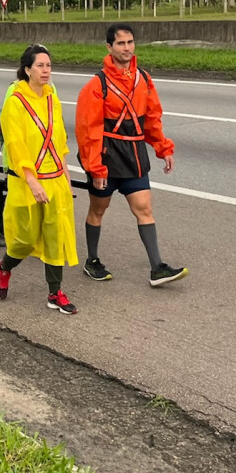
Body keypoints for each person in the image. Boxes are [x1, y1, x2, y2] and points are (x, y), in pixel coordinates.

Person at [74, 24, 187, 287]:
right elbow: (87, 131)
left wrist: (163, 148)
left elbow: (152, 119)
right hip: (106, 156)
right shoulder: (96, 85)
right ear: (109, 47)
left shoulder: (144, 80)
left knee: (144, 209)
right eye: (121, 43)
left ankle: (157, 267)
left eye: (130, 42)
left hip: (134, 155)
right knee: (98, 209)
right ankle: (92, 260)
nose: (127, 48)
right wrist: (95, 168)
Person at [0, 45, 78, 314]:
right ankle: (4, 267)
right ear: (27, 69)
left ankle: (55, 292)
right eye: (40, 65)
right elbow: (15, 146)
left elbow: (59, 136)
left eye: (48, 65)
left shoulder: (52, 97)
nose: (46, 70)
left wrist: (64, 170)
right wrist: (32, 181)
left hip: (54, 179)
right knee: (24, 239)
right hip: (26, 181)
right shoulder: (15, 103)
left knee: (56, 236)